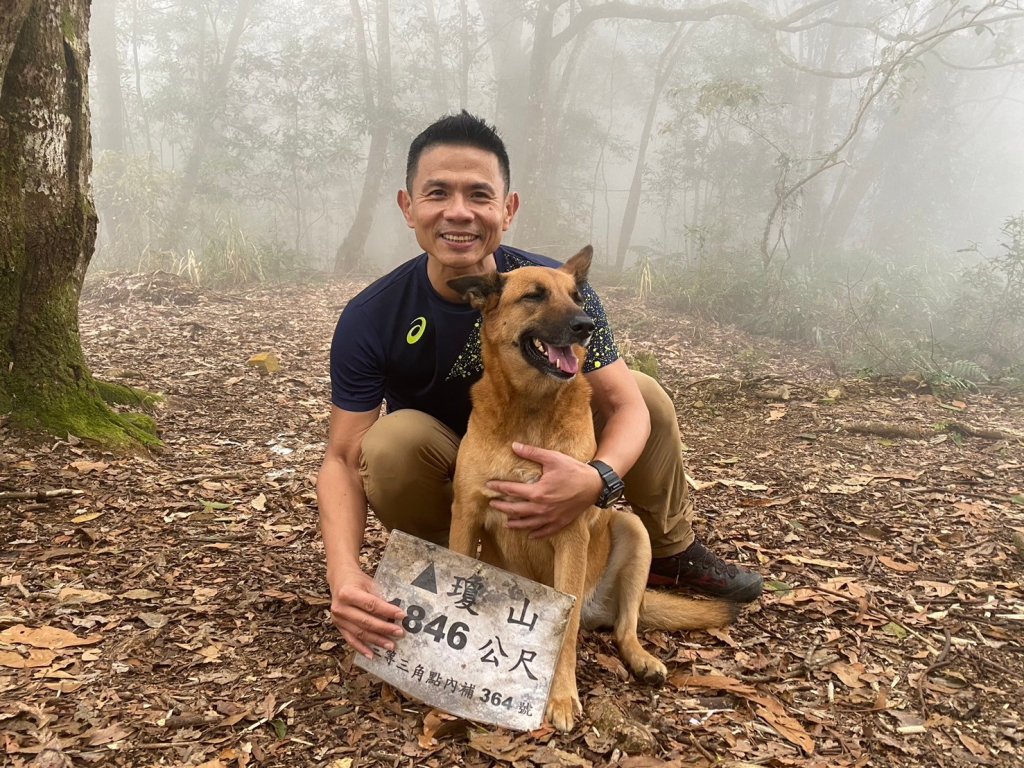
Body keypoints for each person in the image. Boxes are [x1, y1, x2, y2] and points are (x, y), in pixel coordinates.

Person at [317, 111, 762, 658]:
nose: (459, 212)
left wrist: (598, 481)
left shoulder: (560, 288)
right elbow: (340, 459)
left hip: (550, 440)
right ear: (409, 207)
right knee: (389, 442)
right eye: (438, 193)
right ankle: (454, 574)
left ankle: (668, 553)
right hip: (454, 461)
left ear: (508, 208)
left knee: (644, 392)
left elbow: (628, 408)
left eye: (479, 194)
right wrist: (343, 572)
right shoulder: (373, 315)